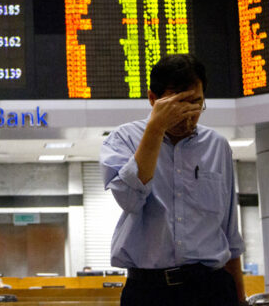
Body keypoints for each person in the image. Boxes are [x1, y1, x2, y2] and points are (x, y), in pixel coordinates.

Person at [99, 54, 246, 306]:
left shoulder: (217, 146)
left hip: (211, 288)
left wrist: (240, 299)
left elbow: (229, 232)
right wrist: (155, 129)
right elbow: (130, 200)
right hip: (149, 291)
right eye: (177, 106)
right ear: (153, 99)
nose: (188, 116)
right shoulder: (123, 139)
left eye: (196, 104)